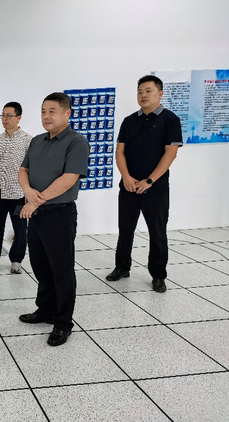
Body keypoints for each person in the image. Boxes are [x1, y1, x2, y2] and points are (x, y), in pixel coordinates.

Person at [17, 92, 89, 346]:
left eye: (52, 111)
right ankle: (45, 310)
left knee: (61, 270)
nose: (46, 116)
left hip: (59, 214)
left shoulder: (76, 142)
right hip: (36, 214)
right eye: (43, 111)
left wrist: (36, 200)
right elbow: (23, 169)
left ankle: (63, 322)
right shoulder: (37, 141)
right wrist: (27, 191)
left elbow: (69, 178)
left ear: (67, 113)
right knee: (40, 265)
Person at [106, 75, 183, 292]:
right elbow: (119, 151)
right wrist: (126, 177)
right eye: (140, 91)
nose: (143, 95)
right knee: (125, 230)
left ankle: (158, 275)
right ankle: (122, 267)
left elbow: (171, 153)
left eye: (148, 91)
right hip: (129, 186)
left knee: (157, 232)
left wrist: (149, 180)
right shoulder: (129, 121)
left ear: (160, 93)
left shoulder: (170, 120)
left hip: (155, 188)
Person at [0, 102, 32, 273]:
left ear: (18, 117)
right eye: (3, 116)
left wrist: (29, 192)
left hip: (18, 193)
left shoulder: (28, 140)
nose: (5, 119)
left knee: (20, 229)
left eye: (9, 116)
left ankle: (16, 260)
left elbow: (31, 168)